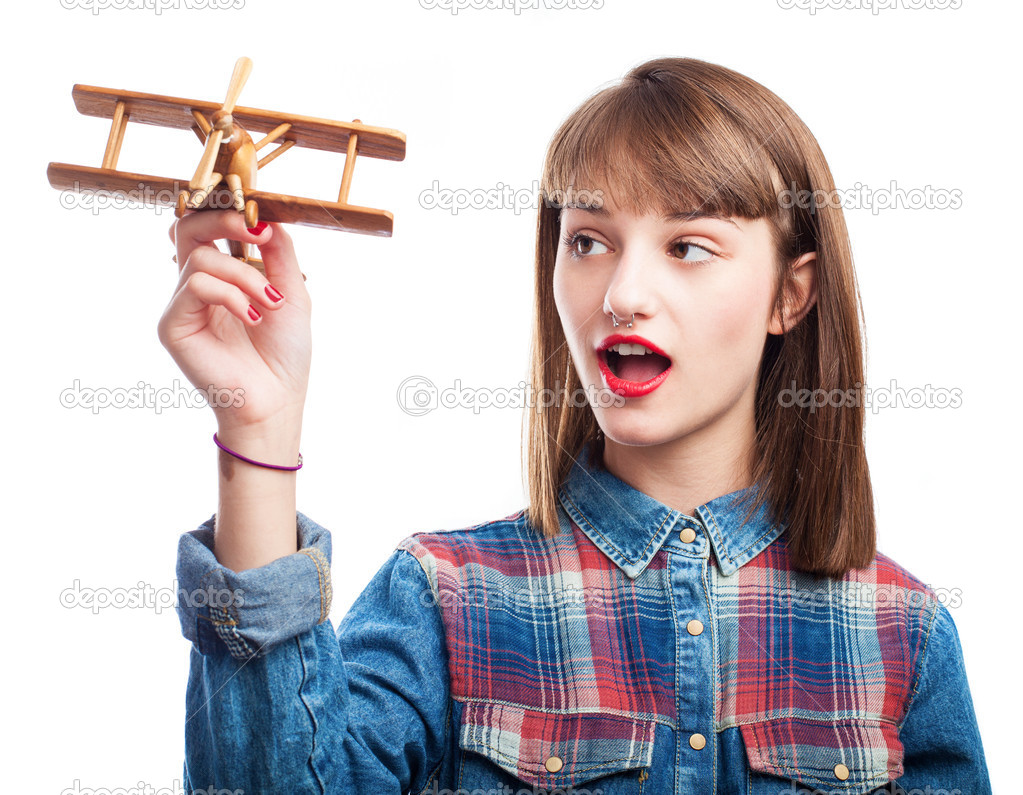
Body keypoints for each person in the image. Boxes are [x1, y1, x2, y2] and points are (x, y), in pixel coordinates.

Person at [161, 57, 991, 794]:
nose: (622, 291)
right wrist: (259, 424)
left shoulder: (904, 634)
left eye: (688, 246)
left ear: (790, 294)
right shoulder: (446, 598)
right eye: (588, 239)